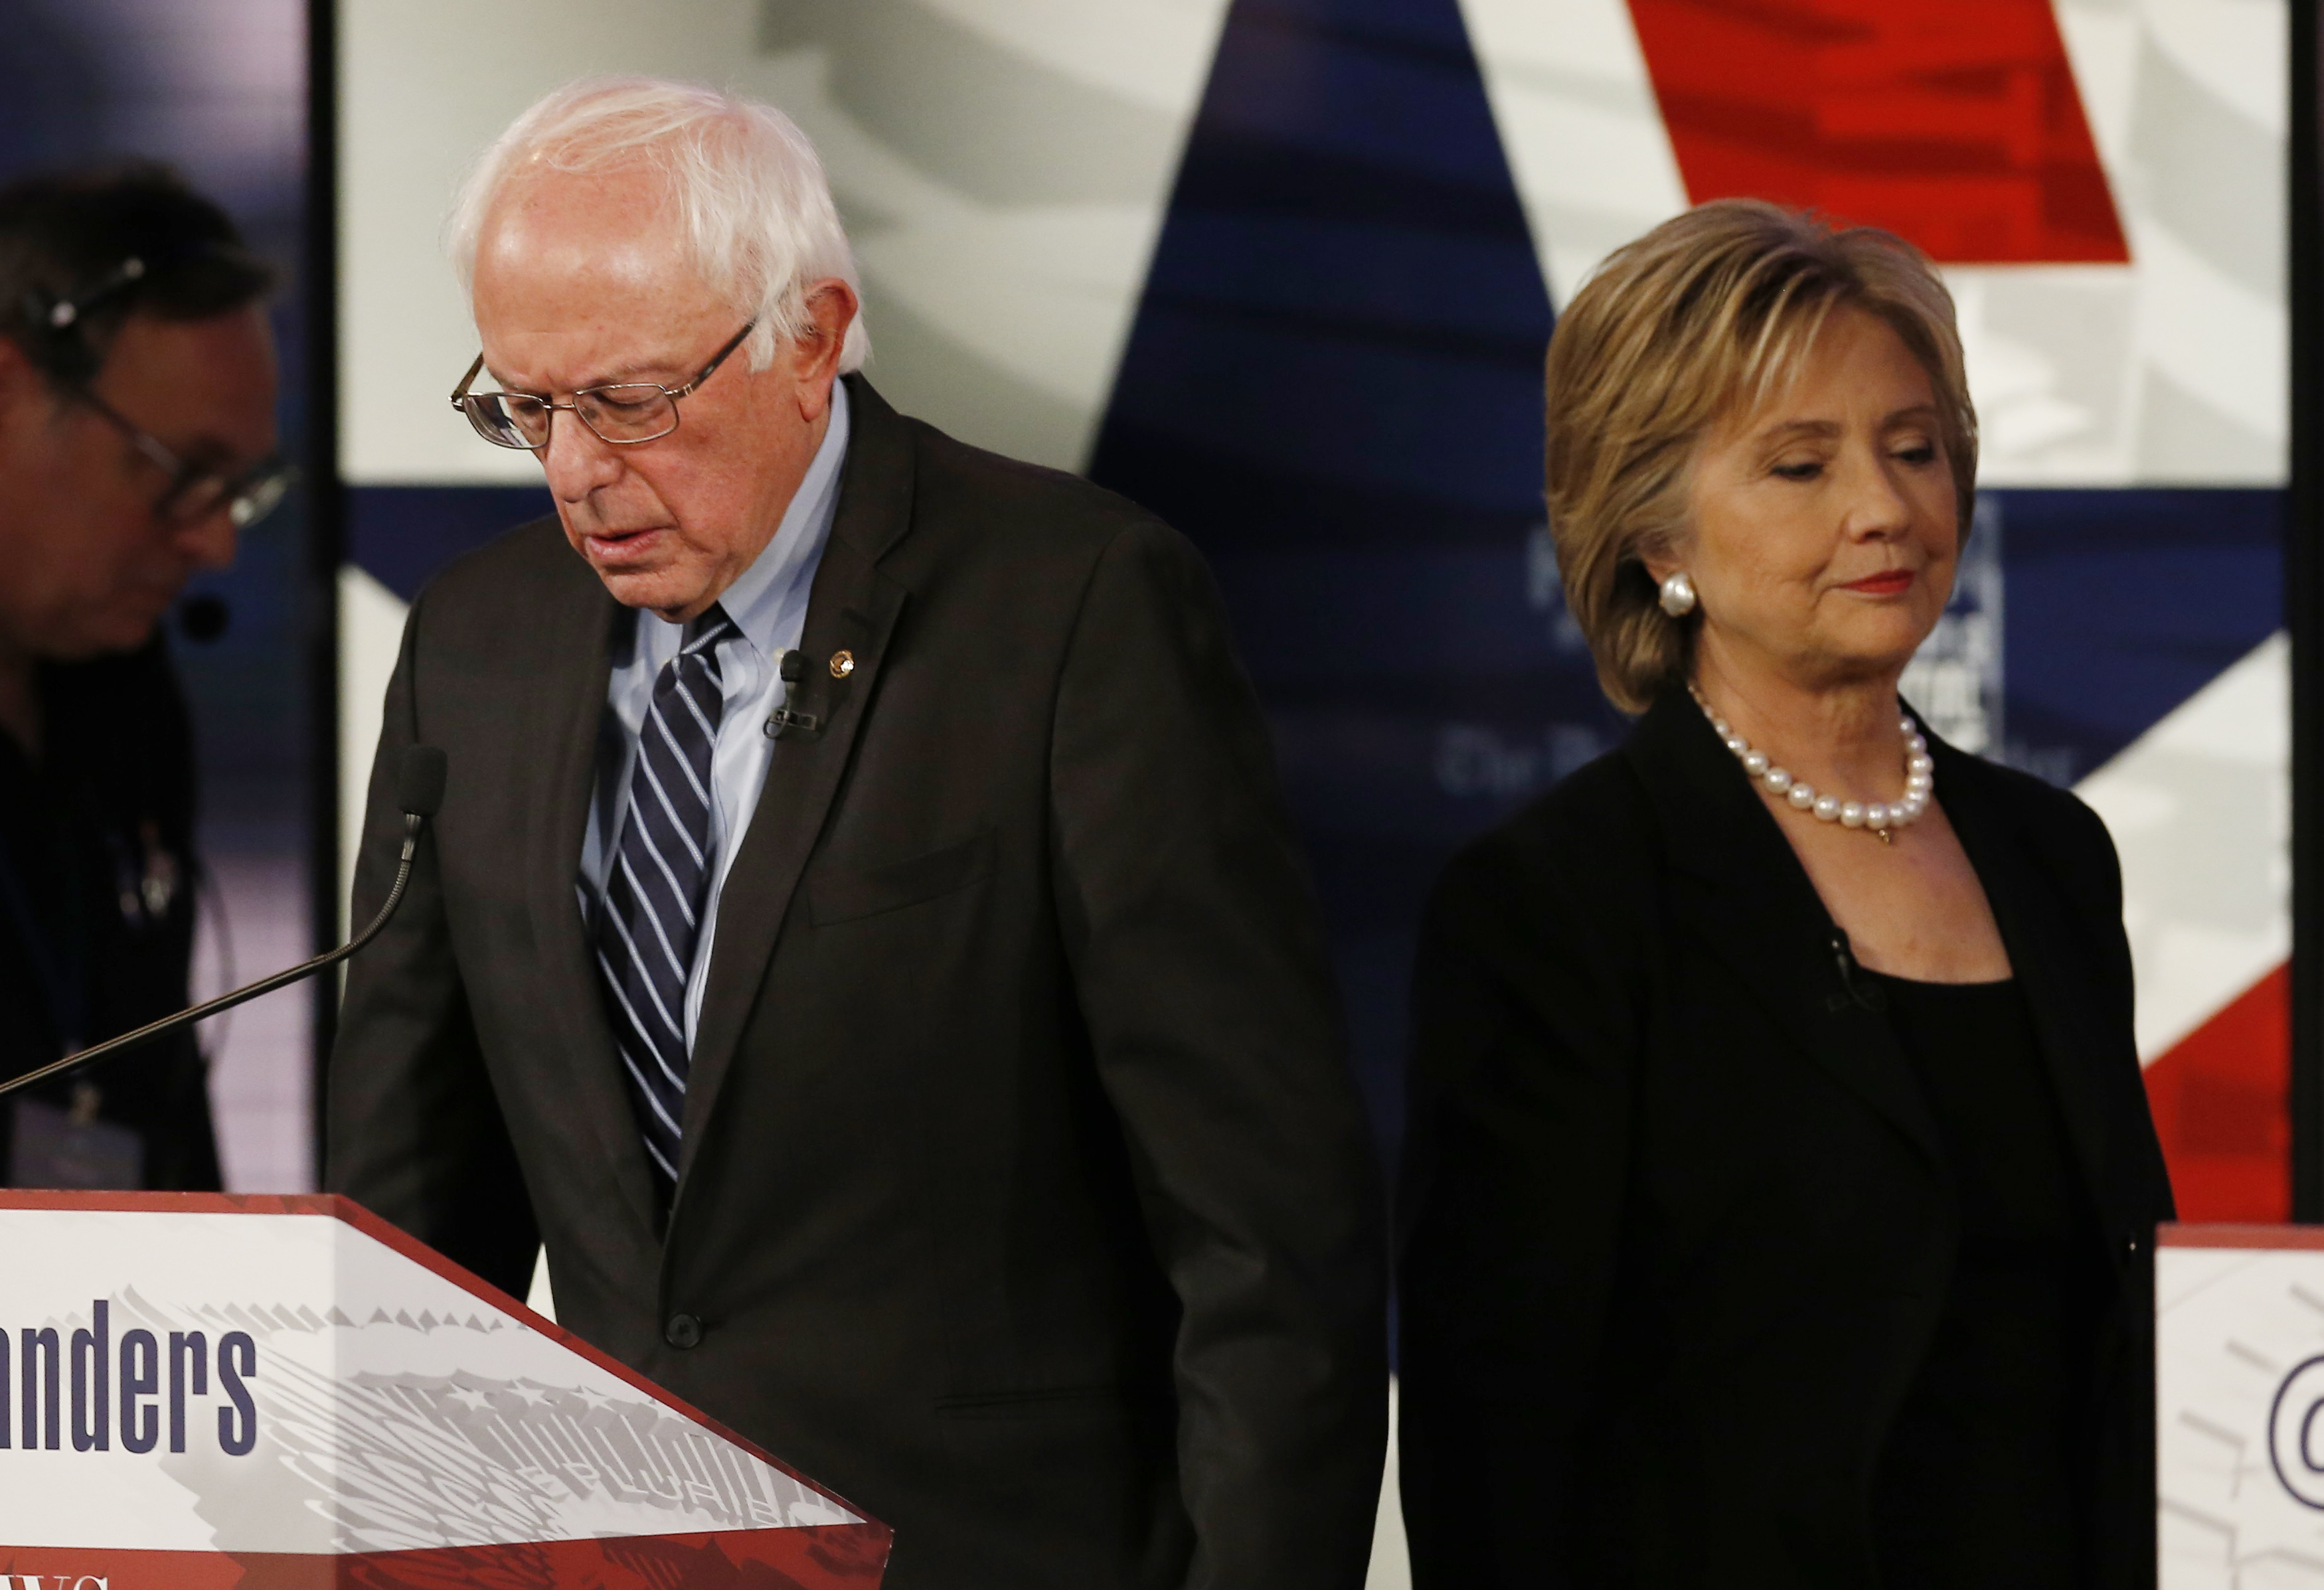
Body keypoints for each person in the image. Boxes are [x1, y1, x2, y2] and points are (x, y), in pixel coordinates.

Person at [325, 78, 1386, 1590]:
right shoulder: (473, 644)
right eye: (524, 406)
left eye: (627, 401)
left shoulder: (1072, 611)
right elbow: (416, 1226)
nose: (572, 472)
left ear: (808, 337)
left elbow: (1266, 1233)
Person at [1397, 200, 2174, 1589]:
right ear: (1657, 541)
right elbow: (1494, 1436)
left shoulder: (2053, 853)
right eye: (1800, 466)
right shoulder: (1555, 902)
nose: (1883, 506)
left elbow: (2121, 1325)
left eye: (1914, 447)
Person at [0, 163, 288, 1191]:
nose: (215, 545)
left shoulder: (127, 700)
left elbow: (160, 1108)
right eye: (180, 475)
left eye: (240, 490)